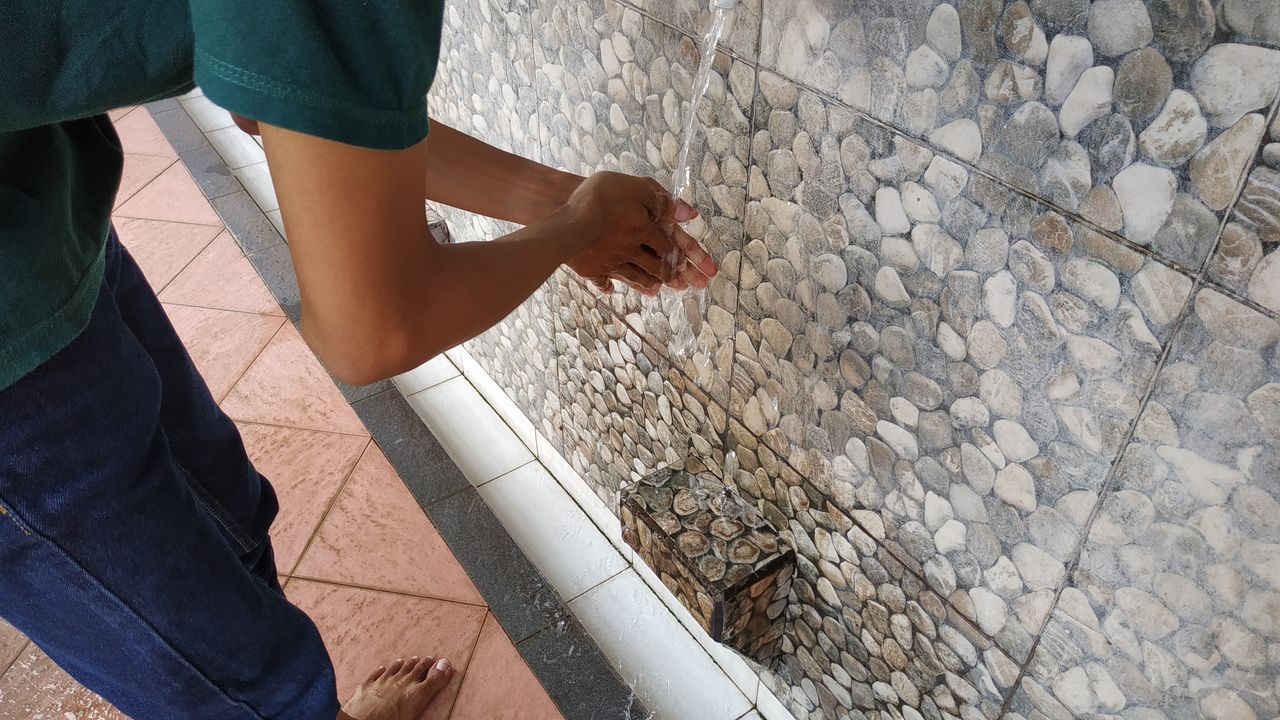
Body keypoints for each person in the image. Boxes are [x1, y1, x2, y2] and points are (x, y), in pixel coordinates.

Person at [0, 1, 716, 718]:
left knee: (227, 516)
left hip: (39, 224)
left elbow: (282, 97)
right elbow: (370, 332)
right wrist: (579, 224)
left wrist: (563, 204)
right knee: (230, 683)